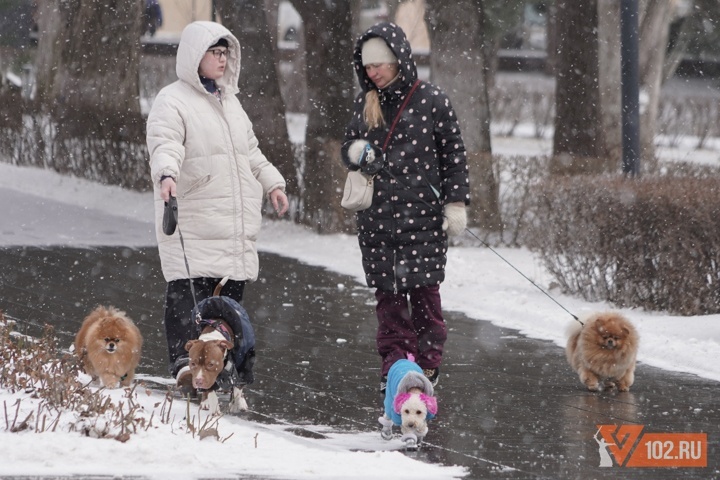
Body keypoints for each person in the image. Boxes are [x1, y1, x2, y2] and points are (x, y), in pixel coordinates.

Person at [146, 21, 289, 380]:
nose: (222, 60)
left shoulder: (231, 102)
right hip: (196, 217)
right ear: (196, 56)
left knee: (226, 302)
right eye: (215, 52)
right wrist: (167, 174)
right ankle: (184, 364)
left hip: (232, 222)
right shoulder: (173, 100)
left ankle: (217, 365)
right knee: (187, 294)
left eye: (226, 53)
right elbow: (165, 143)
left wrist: (273, 183)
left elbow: (250, 151)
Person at [340, 22, 470, 392]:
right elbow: (346, 147)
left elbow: (454, 156)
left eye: (379, 65)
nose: (373, 73)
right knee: (390, 303)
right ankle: (395, 368)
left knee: (426, 300)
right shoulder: (367, 104)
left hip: (423, 221)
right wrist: (356, 151)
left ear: (398, 61)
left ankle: (428, 367)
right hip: (378, 223)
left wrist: (456, 203)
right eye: (367, 68)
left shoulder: (432, 100)